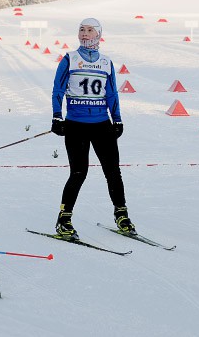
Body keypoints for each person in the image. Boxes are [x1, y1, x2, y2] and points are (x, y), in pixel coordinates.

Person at [50, 17, 136, 240]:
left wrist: (117, 119)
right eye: (81, 30)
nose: (84, 33)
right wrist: (57, 117)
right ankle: (64, 219)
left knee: (113, 172)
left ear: (98, 34)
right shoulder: (69, 59)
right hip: (76, 125)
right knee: (79, 172)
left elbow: (111, 93)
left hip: (102, 125)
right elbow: (57, 90)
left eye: (89, 30)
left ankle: (122, 215)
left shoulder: (106, 62)